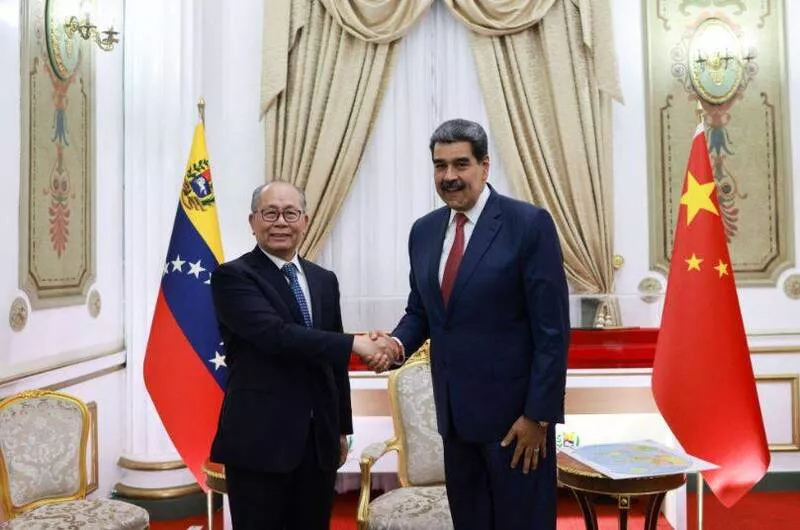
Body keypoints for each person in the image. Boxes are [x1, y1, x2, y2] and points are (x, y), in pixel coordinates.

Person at [387, 119, 570, 529]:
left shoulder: (528, 224)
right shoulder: (423, 232)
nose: (449, 176)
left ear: (484, 166)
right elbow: (422, 311)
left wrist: (538, 417)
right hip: (455, 423)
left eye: (460, 164)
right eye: (440, 166)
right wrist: (395, 345)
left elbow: (552, 331)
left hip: (517, 427)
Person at [210, 181, 394, 529]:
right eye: (270, 213)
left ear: (305, 221)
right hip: (259, 441)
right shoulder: (232, 277)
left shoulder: (324, 280)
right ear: (252, 221)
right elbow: (276, 335)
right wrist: (355, 343)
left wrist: (341, 428)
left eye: (290, 213)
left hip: (317, 443)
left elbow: (333, 365)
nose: (281, 222)